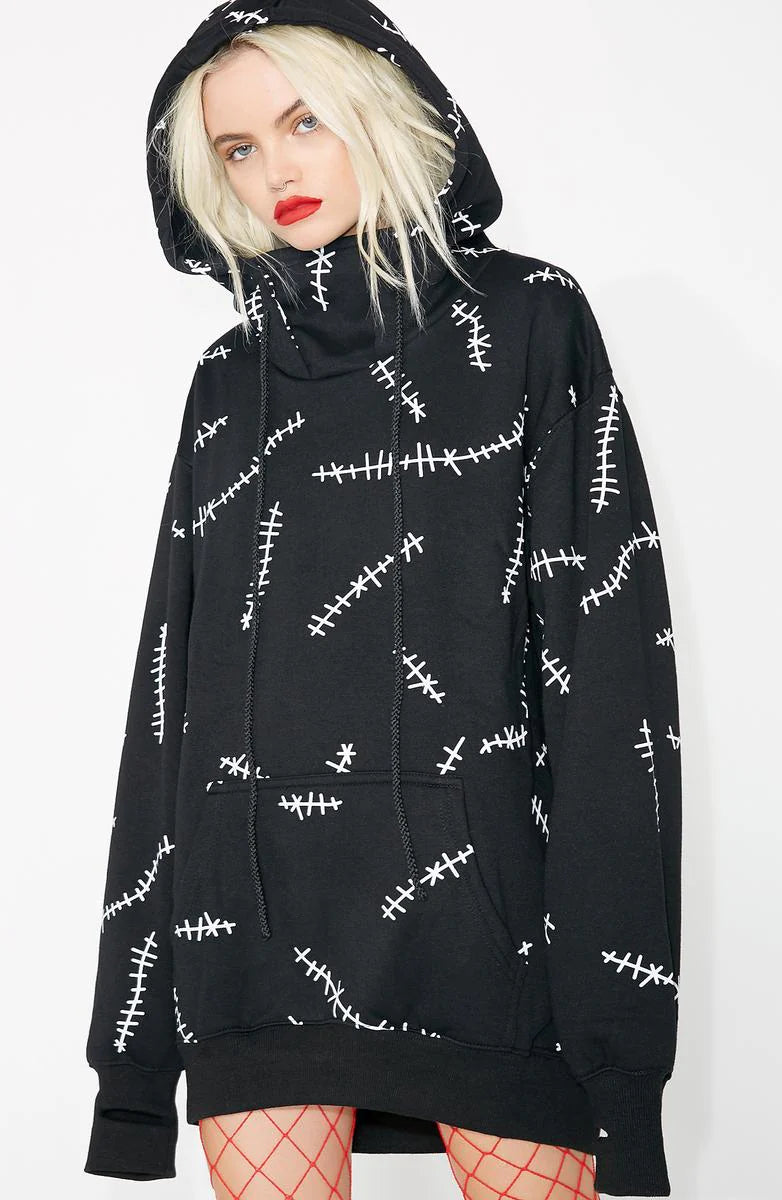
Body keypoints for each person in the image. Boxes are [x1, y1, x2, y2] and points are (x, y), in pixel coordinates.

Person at [82, 3, 683, 1198]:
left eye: (305, 121)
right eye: (239, 147)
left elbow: (613, 681)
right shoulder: (227, 381)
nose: (275, 170)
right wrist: (132, 1060)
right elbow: (170, 699)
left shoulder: (531, 322)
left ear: (381, 111)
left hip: (488, 949)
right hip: (249, 942)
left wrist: (617, 1046)